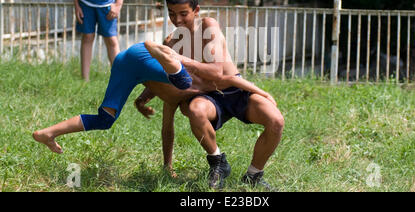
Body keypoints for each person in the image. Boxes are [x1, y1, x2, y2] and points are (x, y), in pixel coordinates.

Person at [32, 40, 276, 175]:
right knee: (184, 80)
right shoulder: (196, 89)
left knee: (104, 120)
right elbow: (230, 78)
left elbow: (164, 122)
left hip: (127, 62)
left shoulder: (172, 99)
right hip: (146, 56)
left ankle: (48, 133)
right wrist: (261, 91)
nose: (190, 112)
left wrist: (141, 101)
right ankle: (164, 51)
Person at [135, 0, 284, 190]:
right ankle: (218, 162)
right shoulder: (172, 42)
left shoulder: (208, 25)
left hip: (235, 90)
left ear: (196, 10)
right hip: (207, 98)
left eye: (183, 13)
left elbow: (216, 71)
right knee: (194, 109)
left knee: (276, 120)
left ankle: (253, 175)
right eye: (171, 13)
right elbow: (165, 77)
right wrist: (144, 96)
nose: (177, 20)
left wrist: (180, 59)